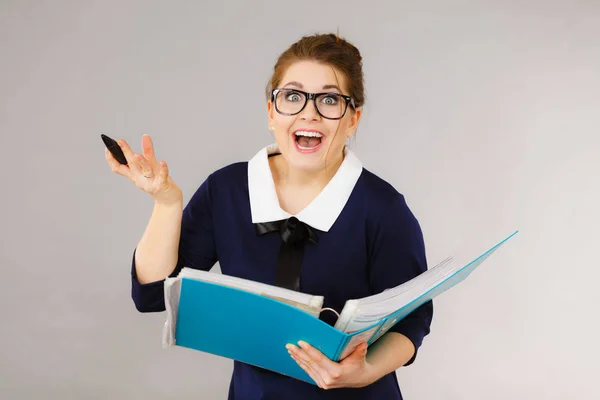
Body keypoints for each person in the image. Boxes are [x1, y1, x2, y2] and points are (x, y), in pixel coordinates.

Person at [105, 32, 433, 400]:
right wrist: (166, 204)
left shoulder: (383, 209)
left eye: (328, 99)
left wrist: (364, 371)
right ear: (271, 112)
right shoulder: (227, 190)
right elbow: (151, 294)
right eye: (292, 96)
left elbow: (413, 320)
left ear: (352, 119)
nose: (309, 112)